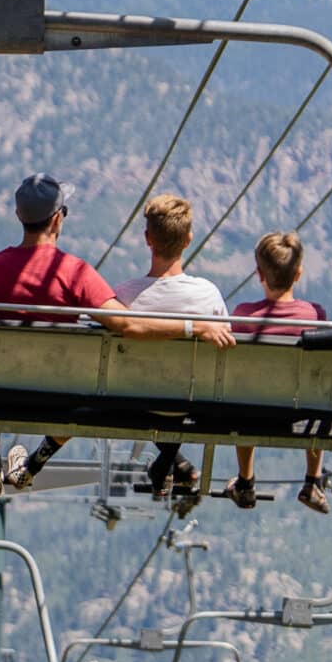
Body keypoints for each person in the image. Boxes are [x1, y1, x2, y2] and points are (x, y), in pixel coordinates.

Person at [0, 174, 235, 497]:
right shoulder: (75, 273)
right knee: (81, 391)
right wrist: (193, 326)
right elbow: (128, 325)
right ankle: (35, 464)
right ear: (57, 220)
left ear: (19, 217)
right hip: (60, 395)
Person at [115, 193, 233, 498]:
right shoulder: (208, 295)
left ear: (147, 238)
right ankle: (168, 459)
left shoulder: (124, 297)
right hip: (194, 401)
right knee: (179, 390)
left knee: (153, 388)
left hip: (135, 401)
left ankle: (169, 459)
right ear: (188, 239)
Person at [230, 231, 332, 514]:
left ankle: (246, 479)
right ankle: (313, 479)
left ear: (259, 274)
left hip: (252, 409)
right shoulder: (315, 316)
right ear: (298, 274)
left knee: (245, 392)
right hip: (301, 408)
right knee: (319, 394)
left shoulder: (243, 316)